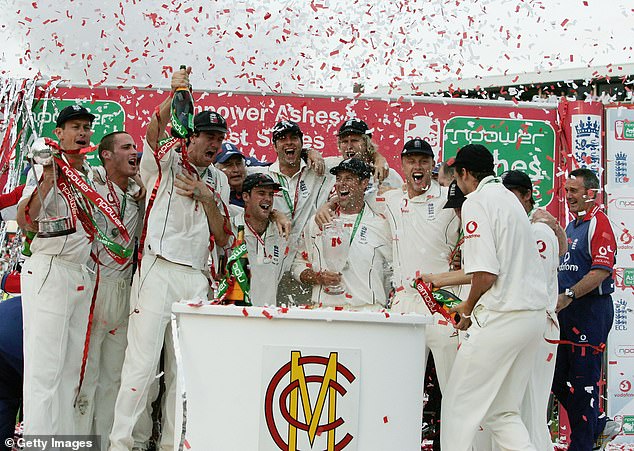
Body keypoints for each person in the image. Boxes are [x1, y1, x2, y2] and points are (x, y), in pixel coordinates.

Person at [109, 67, 230, 451]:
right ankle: (123, 443)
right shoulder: (165, 161)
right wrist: (175, 92)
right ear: (190, 136)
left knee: (184, 372)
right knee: (142, 366)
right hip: (158, 270)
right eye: (208, 136)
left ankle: (173, 444)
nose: (214, 144)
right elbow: (151, 131)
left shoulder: (219, 180)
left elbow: (225, 235)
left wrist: (205, 196)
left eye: (219, 138)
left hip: (196, 278)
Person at [440, 144, 549, 451]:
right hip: (532, 318)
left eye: (456, 175)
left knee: (458, 406)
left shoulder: (477, 201)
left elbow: (485, 274)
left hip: (503, 316)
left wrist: (467, 306)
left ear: (464, 174)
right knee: (503, 412)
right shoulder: (511, 200)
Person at [16, 104, 98, 435]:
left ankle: (61, 441)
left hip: (81, 272)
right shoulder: (41, 169)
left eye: (86, 128)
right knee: (44, 370)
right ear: (59, 133)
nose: (82, 133)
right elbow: (27, 223)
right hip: (49, 268)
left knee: (69, 371)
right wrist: (49, 181)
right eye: (75, 127)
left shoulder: (90, 175)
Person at [73, 131, 144, 447]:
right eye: (126, 147)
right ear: (105, 155)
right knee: (85, 379)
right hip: (93, 288)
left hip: (125, 293)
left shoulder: (139, 192)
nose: (135, 152)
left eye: (135, 147)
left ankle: (102, 444)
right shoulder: (93, 184)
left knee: (114, 381)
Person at [383, 138, 461, 395]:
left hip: (442, 301)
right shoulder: (390, 199)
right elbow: (354, 200)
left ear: (432, 166)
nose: (418, 166)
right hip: (405, 301)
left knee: (453, 386)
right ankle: (400, 436)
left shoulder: (448, 198)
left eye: (424, 161)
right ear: (403, 166)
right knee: (402, 387)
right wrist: (327, 206)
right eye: (411, 161)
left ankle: (455, 436)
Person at [553, 168, 620, 451]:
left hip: (591, 312)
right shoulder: (571, 227)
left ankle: (582, 444)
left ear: (591, 194)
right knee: (556, 379)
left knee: (584, 383)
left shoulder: (599, 223)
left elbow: (601, 272)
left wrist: (568, 294)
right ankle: (599, 424)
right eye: (566, 191)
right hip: (566, 312)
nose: (568, 196)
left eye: (574, 191)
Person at [292, 158, 392, 310]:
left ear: (364, 183)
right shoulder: (318, 222)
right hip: (325, 312)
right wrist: (318, 278)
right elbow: (297, 265)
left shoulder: (380, 225)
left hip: (366, 312)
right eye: (338, 178)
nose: (341, 183)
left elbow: (395, 271)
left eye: (349, 178)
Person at [222, 173, 287, 305]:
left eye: (271, 194)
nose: (268, 199)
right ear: (246, 196)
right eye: (261, 193)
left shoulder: (281, 232)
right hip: (234, 315)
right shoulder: (231, 229)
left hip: (268, 316)